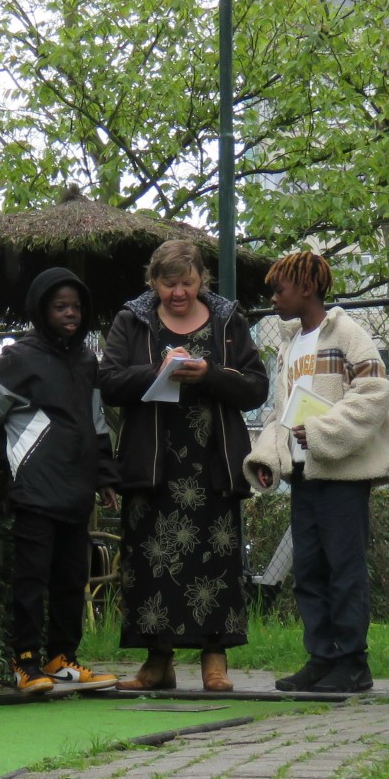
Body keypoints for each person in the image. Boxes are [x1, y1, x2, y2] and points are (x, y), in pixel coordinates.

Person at [99, 239, 269, 692]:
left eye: (188, 283)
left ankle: (215, 659)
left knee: (215, 559)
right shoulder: (131, 319)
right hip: (152, 462)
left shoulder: (229, 319)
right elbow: (110, 381)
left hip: (212, 461)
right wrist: (157, 370)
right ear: (152, 282)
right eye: (168, 283)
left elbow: (256, 386)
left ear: (202, 281)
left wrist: (209, 373)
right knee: (152, 561)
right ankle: (158, 662)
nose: (179, 292)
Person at [243, 252, 389, 694]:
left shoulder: (348, 334)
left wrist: (319, 432)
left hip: (343, 476)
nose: (274, 299)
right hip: (302, 474)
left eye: (280, 290)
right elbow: (280, 413)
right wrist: (267, 459)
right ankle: (322, 658)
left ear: (307, 289)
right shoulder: (288, 345)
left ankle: (354, 663)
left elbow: (374, 392)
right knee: (311, 570)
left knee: (344, 569)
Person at [0, 267, 122, 695]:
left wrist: (105, 476)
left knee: (73, 577)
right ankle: (25, 661)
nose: (70, 314)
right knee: (31, 579)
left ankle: (62, 658)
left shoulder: (88, 361)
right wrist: (8, 461)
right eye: (60, 307)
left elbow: (96, 423)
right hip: (34, 494)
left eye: (75, 307)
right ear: (41, 310)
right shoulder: (21, 359)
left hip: (76, 492)